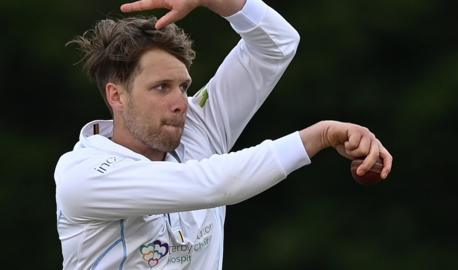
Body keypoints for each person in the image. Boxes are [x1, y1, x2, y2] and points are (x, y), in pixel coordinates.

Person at [55, 0, 393, 269]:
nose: (181, 103)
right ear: (117, 96)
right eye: (161, 88)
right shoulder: (84, 175)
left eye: (183, 86)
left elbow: (277, 45)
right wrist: (318, 135)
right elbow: (210, 184)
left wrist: (216, 0)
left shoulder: (196, 128)